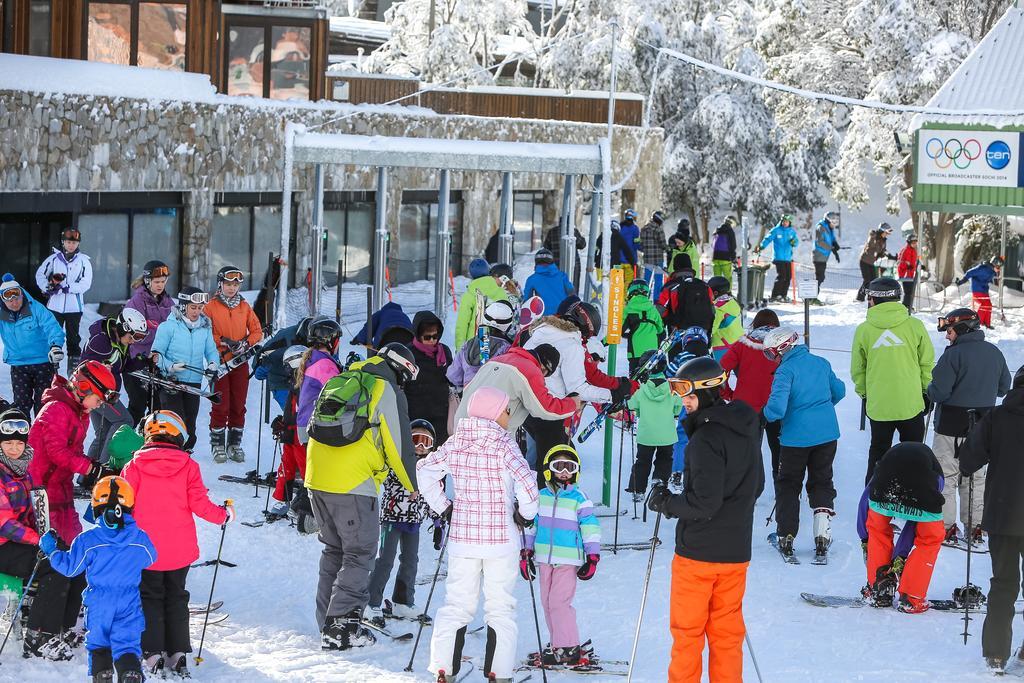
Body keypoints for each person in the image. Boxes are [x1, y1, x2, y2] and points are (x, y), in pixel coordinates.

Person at [647, 356, 763, 683]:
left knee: (688, 635)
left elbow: (704, 503)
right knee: (726, 636)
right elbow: (756, 486)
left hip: (698, 557)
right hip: (735, 554)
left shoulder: (705, 439)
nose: (684, 403)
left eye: (690, 395)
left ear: (709, 393)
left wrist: (666, 501)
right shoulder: (746, 429)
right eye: (681, 395)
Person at [417, 386, 539, 683]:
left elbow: (424, 471)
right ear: (494, 413)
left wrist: (444, 507)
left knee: (457, 603)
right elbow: (528, 485)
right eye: (506, 410)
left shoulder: (456, 443)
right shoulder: (504, 445)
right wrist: (525, 514)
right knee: (500, 607)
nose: (509, 416)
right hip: (501, 541)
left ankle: (443, 669)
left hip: (463, 540)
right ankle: (499, 672)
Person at [306, 343, 419, 650]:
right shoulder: (384, 388)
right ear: (400, 369)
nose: (403, 385)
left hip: (317, 477)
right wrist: (414, 487)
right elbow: (400, 445)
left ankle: (327, 622)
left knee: (334, 550)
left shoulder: (342, 378)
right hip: (352, 483)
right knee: (359, 553)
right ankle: (341, 627)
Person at [120, 410, 232, 678]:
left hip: (146, 551)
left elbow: (123, 505)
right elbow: (200, 504)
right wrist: (223, 514)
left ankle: (152, 651)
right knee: (177, 597)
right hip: (179, 551)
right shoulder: (189, 466)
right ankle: (178, 652)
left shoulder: (133, 467)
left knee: (150, 598)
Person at [24, 360, 114, 659]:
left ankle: (63, 625)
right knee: (58, 562)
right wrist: (89, 467)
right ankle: (40, 632)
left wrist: (92, 470)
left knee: (78, 554)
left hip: (60, 490)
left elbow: (71, 454)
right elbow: (55, 451)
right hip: (40, 493)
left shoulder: (78, 411)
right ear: (84, 387)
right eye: (98, 398)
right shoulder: (56, 410)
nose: (99, 404)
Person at [37, 475, 156, 682]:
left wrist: (52, 551)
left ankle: (102, 675)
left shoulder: (89, 540)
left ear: (96, 506)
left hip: (99, 600)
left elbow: (71, 568)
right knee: (126, 643)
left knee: (99, 643)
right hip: (128, 599)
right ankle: (130, 673)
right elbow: (151, 558)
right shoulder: (140, 538)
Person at [926, 308, 1010, 545]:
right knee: (976, 477)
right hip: (983, 428)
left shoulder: (953, 355)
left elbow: (939, 392)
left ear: (961, 329)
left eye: (949, 331)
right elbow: (1003, 388)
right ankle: (976, 527)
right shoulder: (994, 353)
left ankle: (946, 527)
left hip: (950, 427)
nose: (947, 336)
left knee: (947, 476)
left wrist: (929, 390)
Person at [958, 366, 1024, 671]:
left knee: (1004, 584)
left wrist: (975, 432)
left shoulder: (997, 417)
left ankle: (996, 653)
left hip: (1003, 513)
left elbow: (968, 462)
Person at [762, 327, 846, 557]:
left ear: (782, 348)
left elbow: (777, 409)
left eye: (771, 353)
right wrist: (821, 409)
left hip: (795, 439)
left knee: (788, 484)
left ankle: (786, 535)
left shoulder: (785, 371)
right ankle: (822, 535)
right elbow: (839, 391)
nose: (772, 358)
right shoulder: (821, 362)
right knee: (822, 481)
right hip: (827, 434)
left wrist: (763, 415)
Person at [522, 444, 600, 666]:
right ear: (549, 469)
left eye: (569, 466)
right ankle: (558, 644)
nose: (564, 471)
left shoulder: (579, 498)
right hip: (544, 558)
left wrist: (592, 556)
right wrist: (525, 552)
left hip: (568, 560)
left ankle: (568, 646)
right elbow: (531, 526)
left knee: (559, 603)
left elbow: (590, 527)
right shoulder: (540, 497)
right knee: (547, 603)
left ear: (576, 470)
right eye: (559, 466)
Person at [852, 277, 934, 484]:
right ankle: (914, 500)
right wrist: (926, 392)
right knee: (914, 456)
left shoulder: (864, 330)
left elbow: (857, 369)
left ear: (873, 299)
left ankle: (873, 503)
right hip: (911, 403)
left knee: (878, 454)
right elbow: (927, 363)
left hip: (880, 405)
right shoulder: (915, 326)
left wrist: (865, 394)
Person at [366, 419, 440, 627]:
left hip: (413, 522)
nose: (420, 447)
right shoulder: (395, 461)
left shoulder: (430, 468)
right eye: (416, 440)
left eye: (426, 442)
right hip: (392, 518)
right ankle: (371, 602)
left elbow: (431, 496)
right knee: (385, 560)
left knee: (410, 561)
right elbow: (390, 482)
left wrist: (437, 520)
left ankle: (403, 602)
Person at [862, 442, 945, 613]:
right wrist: (901, 554)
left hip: (884, 487)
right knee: (929, 539)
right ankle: (912, 597)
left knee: (877, 532)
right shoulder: (935, 476)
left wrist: (865, 537)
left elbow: (864, 505)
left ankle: (879, 588)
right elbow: (918, 520)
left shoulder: (880, 470)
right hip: (922, 492)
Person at [455, 342, 579, 437]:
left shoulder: (494, 361)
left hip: (460, 429)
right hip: (490, 438)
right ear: (544, 367)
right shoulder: (530, 370)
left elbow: (468, 389)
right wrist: (572, 403)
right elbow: (544, 408)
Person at [204, 265, 263, 463]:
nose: (231, 288)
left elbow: (257, 331)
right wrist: (223, 340)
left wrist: (245, 344)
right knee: (221, 404)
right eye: (228, 284)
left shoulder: (244, 307)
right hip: (219, 362)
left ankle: (234, 444)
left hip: (240, 362)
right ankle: (217, 445)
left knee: (238, 405)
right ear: (220, 285)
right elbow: (204, 333)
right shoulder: (210, 307)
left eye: (235, 284)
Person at [150, 287, 220, 451]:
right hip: (170, 382)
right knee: (176, 422)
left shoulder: (205, 327)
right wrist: (170, 367)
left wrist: (212, 364)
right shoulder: (168, 327)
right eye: (193, 307)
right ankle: (171, 454)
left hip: (193, 382)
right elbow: (155, 354)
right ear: (183, 306)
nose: (197, 311)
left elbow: (211, 351)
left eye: (200, 308)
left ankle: (184, 457)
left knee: (190, 424)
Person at [81, 308, 149, 464]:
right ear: (123, 328)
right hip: (96, 392)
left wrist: (144, 361)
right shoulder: (101, 341)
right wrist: (100, 370)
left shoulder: (119, 341)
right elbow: (83, 367)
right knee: (124, 420)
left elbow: (122, 367)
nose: (134, 341)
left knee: (104, 432)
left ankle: (87, 476)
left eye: (139, 338)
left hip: (105, 392)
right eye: (134, 336)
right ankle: (103, 469)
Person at [720, 310, 782, 480]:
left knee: (748, 451)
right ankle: (783, 490)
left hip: (745, 406)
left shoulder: (742, 344)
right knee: (779, 449)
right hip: (777, 404)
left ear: (755, 323)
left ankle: (748, 490)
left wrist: (729, 394)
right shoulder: (783, 345)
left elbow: (721, 370)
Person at [0, 409, 44, 634]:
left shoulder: (23, 473)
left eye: (19, 443)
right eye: (8, 443)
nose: (14, 449)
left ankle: (39, 613)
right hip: (3, 544)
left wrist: (45, 532)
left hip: (15, 542)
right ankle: (39, 629)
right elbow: (4, 524)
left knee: (59, 557)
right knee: (48, 564)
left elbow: (30, 513)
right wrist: (37, 540)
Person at [0, 274, 66, 418]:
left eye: (16, 297)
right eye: (9, 300)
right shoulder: (1, 315)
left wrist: (55, 346)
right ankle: (21, 437)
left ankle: (40, 437)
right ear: (3, 301)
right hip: (18, 365)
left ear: (22, 294)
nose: (14, 302)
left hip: (42, 362)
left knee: (43, 404)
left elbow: (52, 327)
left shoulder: (36, 308)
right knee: (21, 404)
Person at [123, 260, 176, 424]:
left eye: (163, 281)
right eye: (157, 282)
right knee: (137, 405)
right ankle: (128, 443)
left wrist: (155, 328)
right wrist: (160, 331)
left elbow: (175, 329)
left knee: (158, 407)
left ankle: (153, 443)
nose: (160, 285)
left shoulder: (168, 302)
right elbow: (136, 333)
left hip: (159, 361)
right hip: (138, 360)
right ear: (147, 281)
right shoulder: (137, 301)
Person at [625, 351, 682, 500]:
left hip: (646, 434)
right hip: (667, 434)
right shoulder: (672, 388)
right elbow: (678, 407)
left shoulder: (641, 389)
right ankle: (660, 482)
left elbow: (632, 405)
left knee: (642, 461)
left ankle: (637, 489)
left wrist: (639, 412)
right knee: (665, 459)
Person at [35, 226, 92, 373]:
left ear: (78, 243)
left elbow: (86, 283)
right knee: (53, 335)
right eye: (68, 242)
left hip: (74, 307)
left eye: (74, 242)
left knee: (73, 339)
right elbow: (40, 274)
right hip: (55, 306)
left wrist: (68, 287)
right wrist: (47, 287)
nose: (71, 245)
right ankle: (52, 366)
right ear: (63, 242)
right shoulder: (54, 259)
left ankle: (73, 370)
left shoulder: (84, 261)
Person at [447, 300, 517, 392]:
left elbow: (454, 376)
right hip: (495, 400)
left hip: (469, 399)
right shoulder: (508, 349)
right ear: (508, 325)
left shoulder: (471, 343)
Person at [406, 311, 454, 444]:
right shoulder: (408, 354)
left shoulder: (444, 351)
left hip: (441, 414)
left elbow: (452, 377)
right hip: (416, 415)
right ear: (418, 335)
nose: (433, 340)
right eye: (427, 337)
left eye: (436, 336)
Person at [454, 263, 512, 350]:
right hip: (497, 342)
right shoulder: (502, 293)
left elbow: (462, 323)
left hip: (474, 343)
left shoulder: (470, 293)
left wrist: (460, 349)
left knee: (477, 362)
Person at [657, 254, 714, 339]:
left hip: (678, 333)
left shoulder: (670, 287)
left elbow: (661, 311)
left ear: (675, 267)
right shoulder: (704, 286)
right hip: (702, 333)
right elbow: (712, 309)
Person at [622, 278, 664, 374]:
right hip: (653, 352)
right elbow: (661, 331)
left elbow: (618, 330)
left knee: (635, 381)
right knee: (651, 379)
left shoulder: (628, 309)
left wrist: (629, 335)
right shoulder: (653, 310)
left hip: (635, 352)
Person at [756, 214, 799, 303]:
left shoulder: (791, 231)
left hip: (788, 258)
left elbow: (796, 242)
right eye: (783, 221)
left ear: (789, 223)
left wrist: (794, 242)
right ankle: (775, 295)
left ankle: (783, 295)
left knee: (788, 277)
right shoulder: (776, 230)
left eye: (786, 222)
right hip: (778, 258)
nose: (785, 223)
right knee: (782, 275)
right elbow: (768, 239)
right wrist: (761, 246)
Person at [523, 248, 574, 316]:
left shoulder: (532, 279)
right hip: (563, 317)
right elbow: (572, 294)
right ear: (552, 261)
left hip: (543, 319)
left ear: (536, 262)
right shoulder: (562, 276)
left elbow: (527, 302)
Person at [957, 256, 1003, 329]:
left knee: (988, 306)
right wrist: (961, 281)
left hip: (984, 290)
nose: (999, 269)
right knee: (981, 306)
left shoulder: (992, 271)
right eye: (998, 267)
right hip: (977, 289)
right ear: (994, 264)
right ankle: (979, 323)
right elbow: (970, 273)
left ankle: (986, 324)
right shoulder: (982, 268)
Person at [856, 223, 894, 302]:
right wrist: (873, 236)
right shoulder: (874, 237)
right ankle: (860, 298)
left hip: (872, 263)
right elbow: (871, 245)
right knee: (867, 280)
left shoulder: (883, 240)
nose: (887, 235)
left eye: (888, 233)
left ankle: (871, 297)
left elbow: (882, 251)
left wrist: (890, 256)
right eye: (886, 233)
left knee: (873, 281)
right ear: (882, 231)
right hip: (864, 261)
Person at [708, 276, 742, 360]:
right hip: (739, 342)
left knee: (721, 372)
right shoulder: (733, 302)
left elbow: (712, 328)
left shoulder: (718, 309)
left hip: (723, 345)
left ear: (715, 293)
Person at [542, 223, 587, 288]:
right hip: (573, 265)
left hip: (555, 265)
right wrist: (581, 237)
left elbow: (546, 248)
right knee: (572, 287)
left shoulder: (552, 231)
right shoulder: (573, 232)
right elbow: (582, 245)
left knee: (556, 288)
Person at [638, 211, 668, 298]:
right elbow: (663, 245)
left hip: (647, 259)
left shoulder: (643, 229)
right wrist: (668, 248)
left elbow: (641, 245)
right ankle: (657, 300)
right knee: (658, 282)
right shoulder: (659, 230)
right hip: (658, 260)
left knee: (647, 281)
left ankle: (645, 299)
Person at [811, 212, 841, 297]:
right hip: (818, 255)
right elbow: (820, 242)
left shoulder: (829, 228)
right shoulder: (821, 227)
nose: (834, 225)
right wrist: (831, 247)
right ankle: (811, 297)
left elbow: (831, 238)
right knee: (819, 277)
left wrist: (835, 244)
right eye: (833, 223)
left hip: (823, 256)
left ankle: (813, 296)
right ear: (828, 221)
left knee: (821, 277)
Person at [711, 217, 737, 286]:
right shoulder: (730, 231)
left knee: (716, 278)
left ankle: (715, 292)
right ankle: (728, 293)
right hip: (725, 258)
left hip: (715, 257)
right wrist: (733, 257)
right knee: (728, 278)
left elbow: (712, 244)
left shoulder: (717, 230)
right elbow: (732, 246)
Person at [896, 234, 919, 310]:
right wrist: (906, 265)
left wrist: (916, 265)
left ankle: (907, 305)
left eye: (916, 242)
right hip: (905, 274)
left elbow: (913, 262)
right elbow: (900, 262)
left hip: (910, 274)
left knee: (910, 291)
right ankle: (906, 306)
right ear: (909, 242)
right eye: (913, 242)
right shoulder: (906, 250)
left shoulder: (913, 250)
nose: (915, 243)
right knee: (908, 292)